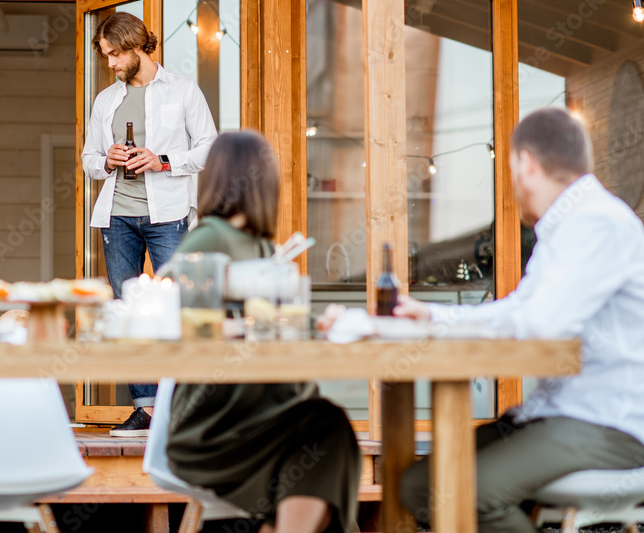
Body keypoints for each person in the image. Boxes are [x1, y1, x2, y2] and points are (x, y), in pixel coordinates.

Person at [349, 108, 644, 533]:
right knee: (418, 486)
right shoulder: (566, 227)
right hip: (557, 415)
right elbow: (519, 309)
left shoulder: (598, 224)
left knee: (469, 493)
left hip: (609, 423)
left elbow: (539, 323)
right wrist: (432, 313)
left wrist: (439, 321)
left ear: (524, 165)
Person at [166, 131, 362, 533]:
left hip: (257, 410)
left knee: (328, 430)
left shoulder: (258, 247)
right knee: (326, 431)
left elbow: (269, 322)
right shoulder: (210, 236)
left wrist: (309, 323)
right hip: (214, 423)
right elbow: (174, 310)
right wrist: (243, 325)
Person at [81, 12, 217, 436]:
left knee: (177, 310)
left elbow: (210, 147)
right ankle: (146, 408)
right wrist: (107, 159)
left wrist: (163, 161)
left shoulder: (182, 91)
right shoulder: (107, 100)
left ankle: (185, 409)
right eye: (106, 56)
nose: (111, 63)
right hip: (116, 217)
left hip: (168, 216)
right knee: (128, 312)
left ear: (137, 47)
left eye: (115, 54)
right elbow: (88, 161)